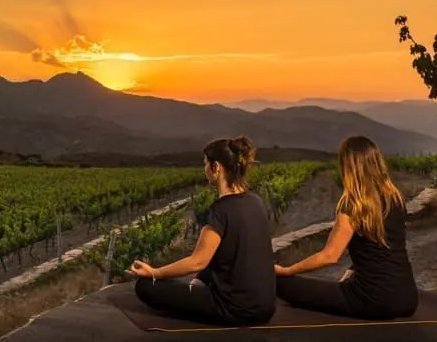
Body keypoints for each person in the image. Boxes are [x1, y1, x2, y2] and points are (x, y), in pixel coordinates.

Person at [128, 136, 276, 326]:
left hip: (235, 309)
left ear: (216, 168)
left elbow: (197, 262)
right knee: (202, 276)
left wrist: (155, 272)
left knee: (146, 287)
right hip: (265, 307)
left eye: (205, 164)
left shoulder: (220, 210)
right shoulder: (256, 201)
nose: (204, 169)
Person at [275, 134, 418, 320]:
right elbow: (382, 248)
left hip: (372, 300)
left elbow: (329, 256)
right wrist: (352, 271)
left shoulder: (353, 205)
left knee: (280, 283)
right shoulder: (395, 198)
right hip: (407, 298)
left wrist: (286, 270)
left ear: (348, 166)